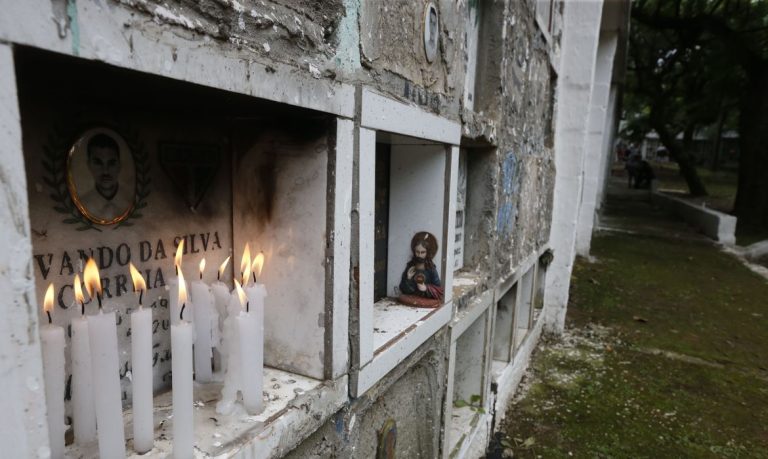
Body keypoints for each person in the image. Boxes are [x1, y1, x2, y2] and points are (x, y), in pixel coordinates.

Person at [78, 133, 131, 221]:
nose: (105, 171)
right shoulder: (82, 205)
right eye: (98, 163)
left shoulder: (130, 201)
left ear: (119, 165)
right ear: (89, 165)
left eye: (111, 163)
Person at [399, 231, 443, 306]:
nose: (419, 255)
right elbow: (403, 288)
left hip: (425, 299)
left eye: (422, 252)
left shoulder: (430, 269)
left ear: (427, 253)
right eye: (417, 252)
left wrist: (426, 288)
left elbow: (439, 289)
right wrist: (408, 279)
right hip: (412, 298)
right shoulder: (411, 266)